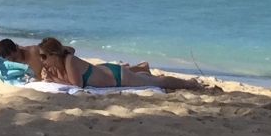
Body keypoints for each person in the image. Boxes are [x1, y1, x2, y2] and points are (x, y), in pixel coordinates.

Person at [29, 36, 220, 93]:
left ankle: (191, 84)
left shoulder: (68, 61)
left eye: (44, 56)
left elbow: (77, 85)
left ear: (54, 54)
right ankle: (144, 68)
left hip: (117, 77)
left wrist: (53, 77)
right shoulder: (56, 63)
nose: (42, 60)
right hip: (107, 71)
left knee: (158, 82)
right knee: (149, 78)